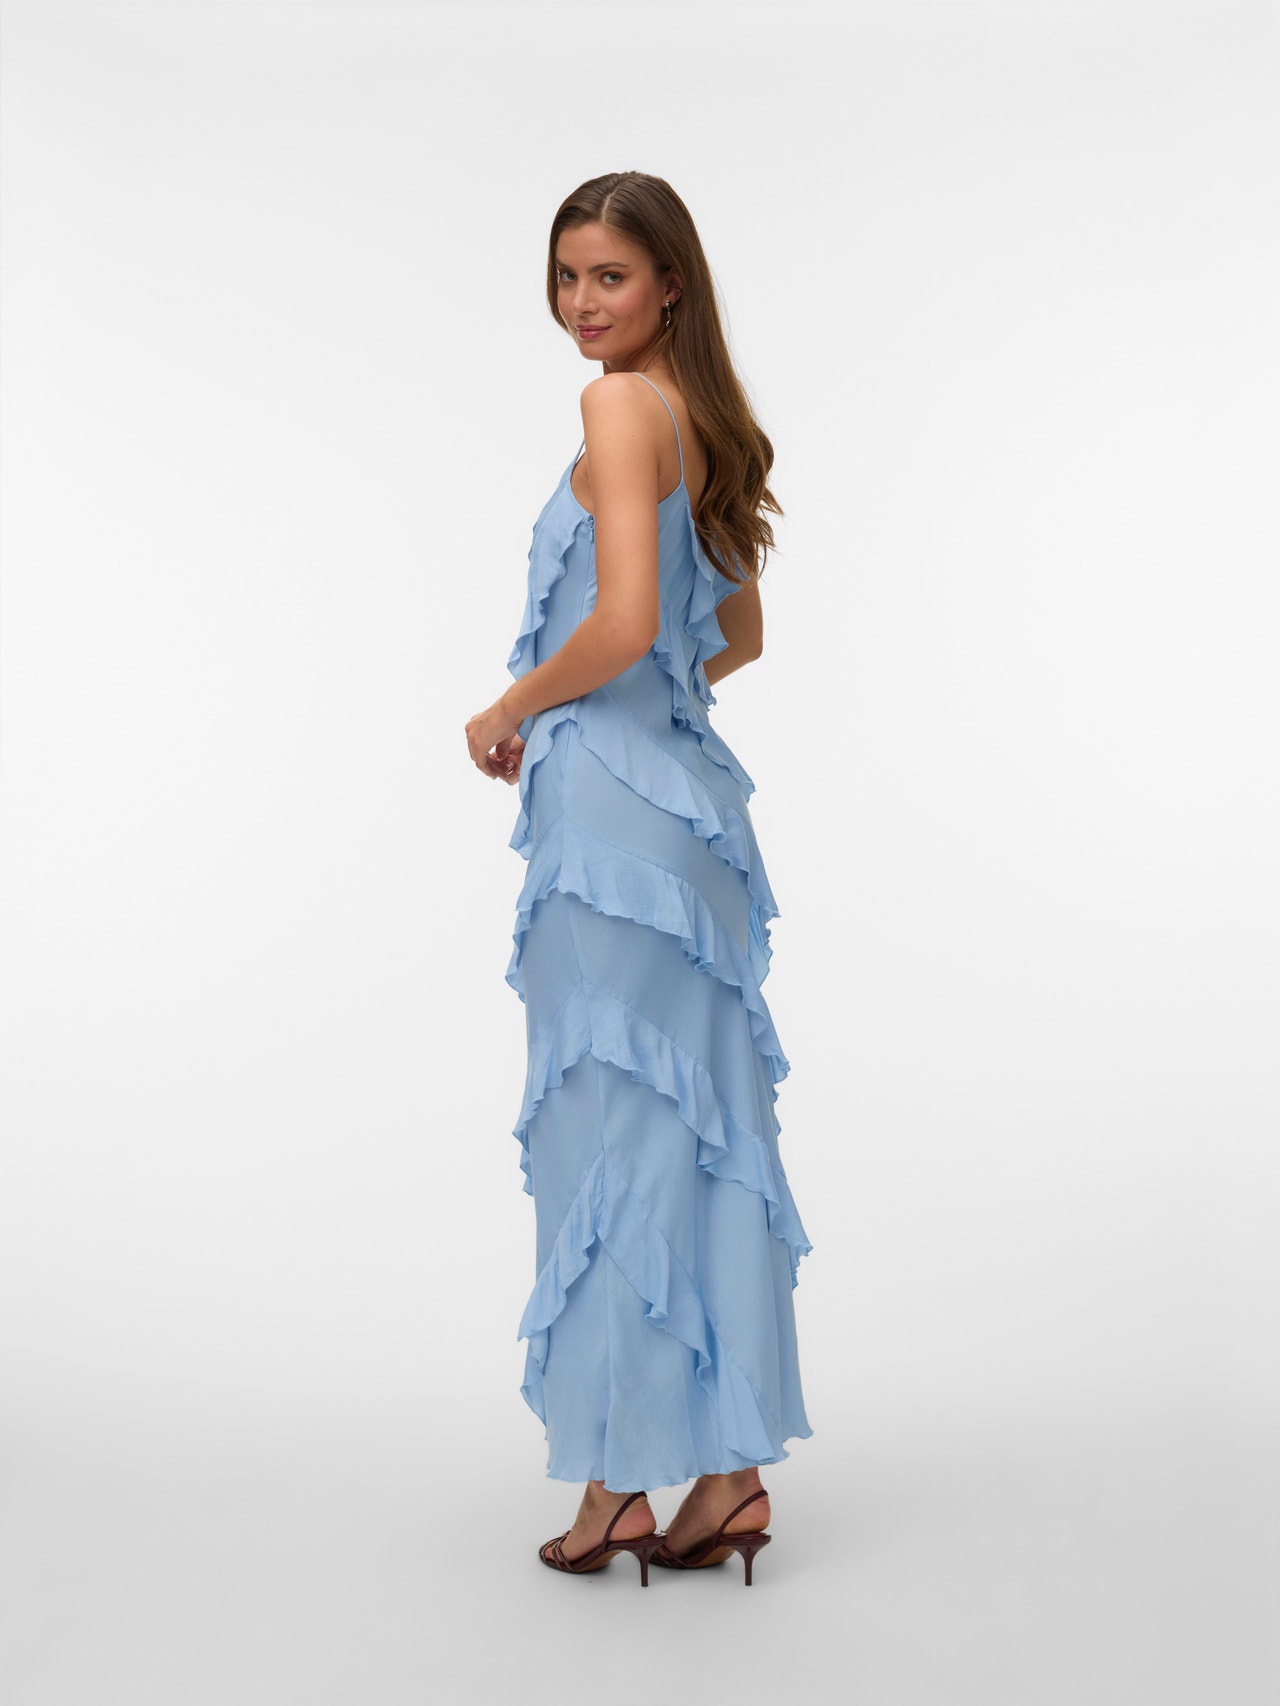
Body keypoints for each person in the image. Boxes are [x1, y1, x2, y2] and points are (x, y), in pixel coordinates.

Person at [465, 171, 812, 1586]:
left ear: (671, 282)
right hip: (690, 821)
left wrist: (515, 704)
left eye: (608, 275)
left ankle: (615, 1484)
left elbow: (619, 620)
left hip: (613, 828)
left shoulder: (618, 409)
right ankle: (725, 1476)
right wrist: (639, 688)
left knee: (612, 1138)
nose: (581, 303)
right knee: (696, 1135)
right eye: (566, 276)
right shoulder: (699, 416)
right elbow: (733, 636)